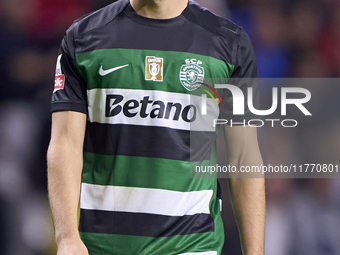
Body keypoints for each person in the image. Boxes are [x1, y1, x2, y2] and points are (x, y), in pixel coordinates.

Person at [47, 0, 265, 254]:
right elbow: (65, 144)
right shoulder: (84, 38)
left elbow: (243, 157)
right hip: (101, 245)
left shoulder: (229, 43)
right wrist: (67, 237)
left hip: (193, 244)